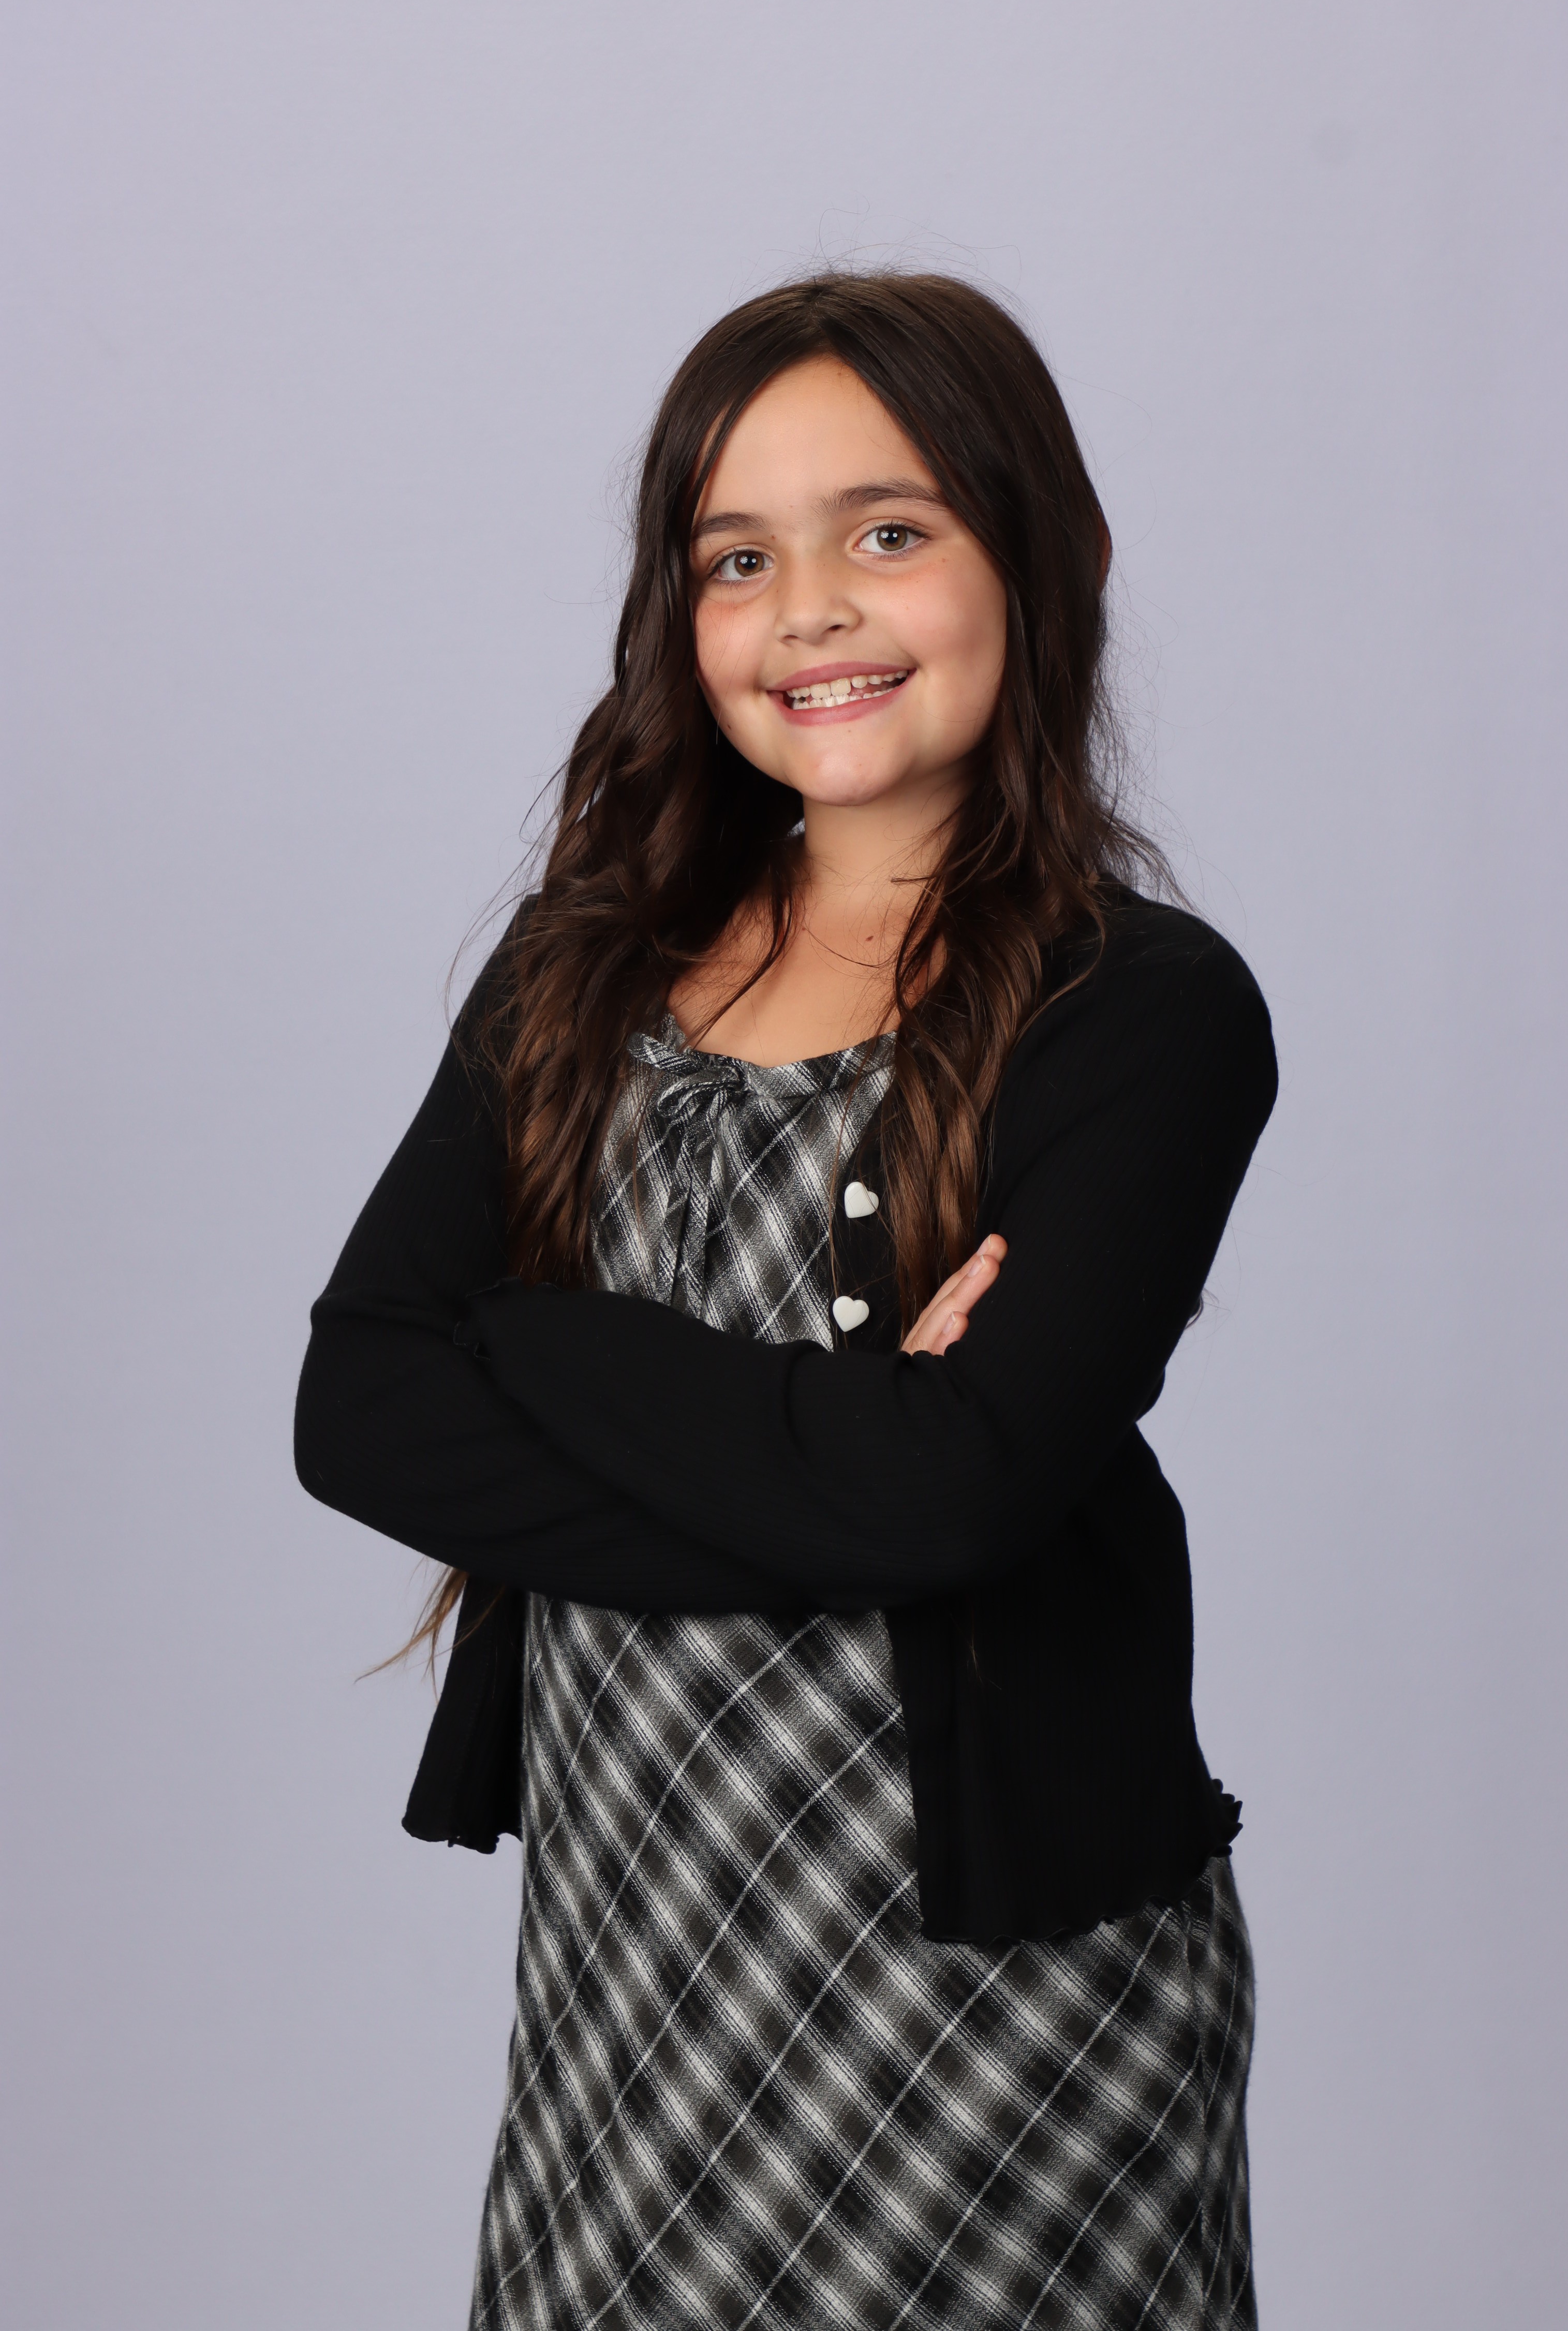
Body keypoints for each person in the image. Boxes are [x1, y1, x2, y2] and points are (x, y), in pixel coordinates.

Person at [294, 270, 1278, 2331]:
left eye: (887, 531)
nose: (809, 609)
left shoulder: (1141, 1014)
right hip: (636, 1974)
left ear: (1055, 554)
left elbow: (950, 1498)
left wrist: (538, 1342)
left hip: (1004, 2015)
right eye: (737, 559)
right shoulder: (578, 973)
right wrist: (846, 1476)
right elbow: (360, 1406)